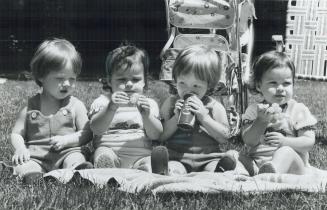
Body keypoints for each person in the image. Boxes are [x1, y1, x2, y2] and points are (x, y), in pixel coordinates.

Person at [10, 38, 93, 183]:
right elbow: (16, 133)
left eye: (72, 79)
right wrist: (20, 148)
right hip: (37, 156)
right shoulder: (31, 107)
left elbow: (87, 132)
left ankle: (77, 171)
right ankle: (33, 175)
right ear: (41, 76)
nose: (67, 84)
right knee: (23, 166)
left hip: (67, 152)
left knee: (76, 158)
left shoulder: (75, 105)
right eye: (60, 78)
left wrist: (68, 140)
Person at [156, 44, 236, 175]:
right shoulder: (171, 103)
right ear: (175, 80)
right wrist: (175, 118)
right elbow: (162, 136)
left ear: (209, 85)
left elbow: (224, 137)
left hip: (208, 157)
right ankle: (167, 172)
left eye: (196, 86)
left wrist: (205, 118)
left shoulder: (214, 106)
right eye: (182, 83)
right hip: (177, 156)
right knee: (175, 168)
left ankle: (218, 171)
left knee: (212, 168)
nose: (188, 90)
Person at [241, 50, 317, 175]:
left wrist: (285, 142)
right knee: (235, 155)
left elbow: (308, 142)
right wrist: (261, 121)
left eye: (286, 83)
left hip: (293, 165)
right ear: (259, 85)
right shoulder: (254, 110)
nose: (281, 88)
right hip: (257, 162)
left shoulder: (298, 110)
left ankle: (270, 172)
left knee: (285, 151)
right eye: (273, 83)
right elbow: (249, 141)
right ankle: (252, 171)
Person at [89, 44, 163, 171]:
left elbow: (156, 135)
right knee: (102, 153)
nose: (129, 84)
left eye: (135, 79)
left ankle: (145, 168)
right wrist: (111, 108)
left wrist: (147, 115)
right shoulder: (102, 102)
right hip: (110, 150)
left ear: (144, 81)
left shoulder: (149, 104)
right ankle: (106, 166)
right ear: (109, 81)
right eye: (122, 79)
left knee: (148, 161)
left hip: (140, 154)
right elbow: (96, 129)